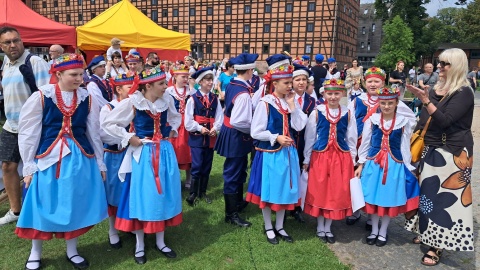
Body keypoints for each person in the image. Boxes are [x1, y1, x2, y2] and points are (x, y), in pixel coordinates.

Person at [16, 53, 108, 270]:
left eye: (81, 74)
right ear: (58, 74)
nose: (79, 79)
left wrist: (100, 162)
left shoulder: (87, 98)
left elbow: (94, 132)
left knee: (73, 203)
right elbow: (29, 132)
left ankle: (72, 250)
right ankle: (35, 252)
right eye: (73, 75)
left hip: (79, 159)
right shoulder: (42, 96)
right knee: (41, 204)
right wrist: (28, 164)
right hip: (48, 160)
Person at [101, 65, 183, 264]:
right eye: (161, 83)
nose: (166, 86)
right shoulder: (134, 103)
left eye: (165, 82)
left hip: (163, 152)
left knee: (162, 194)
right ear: (147, 86)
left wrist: (172, 129)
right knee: (143, 197)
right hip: (143, 155)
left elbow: (175, 118)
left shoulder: (167, 101)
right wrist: (129, 137)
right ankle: (139, 245)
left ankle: (161, 241)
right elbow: (109, 124)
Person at [406, 48, 475, 266]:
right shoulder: (437, 88)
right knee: (427, 196)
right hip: (431, 149)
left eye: (444, 64)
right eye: (438, 62)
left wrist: (427, 100)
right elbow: (427, 119)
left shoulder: (464, 91)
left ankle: (438, 245)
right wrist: (427, 97)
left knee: (447, 201)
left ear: (455, 66)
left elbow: (445, 120)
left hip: (453, 153)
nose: (438, 66)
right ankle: (427, 233)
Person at [246, 55, 307, 245]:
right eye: (287, 83)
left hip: (288, 154)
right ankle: (268, 226)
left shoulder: (290, 101)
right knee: (270, 191)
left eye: (291, 82)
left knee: (284, 191)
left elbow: (299, 126)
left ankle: (280, 226)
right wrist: (275, 137)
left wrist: (292, 107)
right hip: (270, 155)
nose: (290, 86)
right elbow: (255, 132)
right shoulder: (266, 102)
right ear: (275, 83)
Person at [345, 66, 416, 228]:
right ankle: (356, 210)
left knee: (374, 181)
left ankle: (372, 216)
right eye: (369, 81)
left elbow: (410, 119)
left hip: (380, 148)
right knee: (357, 179)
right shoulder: (357, 101)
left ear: (383, 83)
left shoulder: (388, 100)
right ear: (364, 82)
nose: (372, 84)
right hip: (359, 146)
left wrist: (396, 129)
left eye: (376, 81)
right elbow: (348, 120)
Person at [355, 86, 419, 247]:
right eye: (383, 104)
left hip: (394, 166)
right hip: (374, 164)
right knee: (374, 198)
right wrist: (361, 163)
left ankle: (383, 231)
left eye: (390, 103)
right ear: (379, 104)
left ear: (397, 103)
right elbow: (366, 143)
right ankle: (374, 230)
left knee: (387, 199)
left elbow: (404, 146)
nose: (387, 107)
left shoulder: (403, 122)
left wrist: (408, 167)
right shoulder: (372, 120)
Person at [0, 27, 50, 226]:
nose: (13, 45)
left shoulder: (34, 62)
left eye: (16, 41)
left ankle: (43, 208)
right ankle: (16, 210)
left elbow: (47, 94)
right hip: (11, 126)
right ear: (1, 46)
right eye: (8, 42)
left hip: (33, 126)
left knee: (39, 169)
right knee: (7, 167)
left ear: (22, 41)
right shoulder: (6, 63)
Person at [303, 79, 357, 244]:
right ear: (324, 94)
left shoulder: (348, 112)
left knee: (335, 191)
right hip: (321, 156)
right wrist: (307, 158)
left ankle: (329, 226)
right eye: (329, 93)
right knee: (321, 190)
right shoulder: (317, 112)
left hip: (341, 157)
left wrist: (353, 159)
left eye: (336, 93)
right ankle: (320, 225)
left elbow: (351, 137)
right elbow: (310, 137)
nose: (333, 97)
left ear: (342, 94)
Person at [214, 52, 258, 228]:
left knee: (238, 171)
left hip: (234, 134)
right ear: (249, 71)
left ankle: (237, 203)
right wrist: (254, 130)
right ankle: (231, 214)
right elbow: (238, 121)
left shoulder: (233, 82)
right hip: (236, 135)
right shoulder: (243, 93)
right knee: (233, 173)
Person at [100, 71, 139, 250]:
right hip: (115, 155)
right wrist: (126, 138)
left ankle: (128, 224)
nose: (133, 90)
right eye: (129, 87)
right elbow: (104, 133)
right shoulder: (108, 108)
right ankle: (112, 230)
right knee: (113, 192)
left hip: (132, 154)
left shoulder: (135, 105)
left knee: (130, 190)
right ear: (118, 89)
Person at [184, 67, 223, 206]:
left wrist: (215, 128)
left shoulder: (215, 98)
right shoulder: (193, 99)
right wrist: (200, 128)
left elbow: (219, 117)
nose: (210, 82)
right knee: (197, 165)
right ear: (200, 82)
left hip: (210, 137)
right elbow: (188, 121)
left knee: (207, 165)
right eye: (207, 80)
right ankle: (193, 194)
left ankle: (203, 192)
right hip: (197, 138)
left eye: (211, 80)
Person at [289, 63, 316, 223]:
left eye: (304, 80)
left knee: (301, 173)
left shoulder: (312, 102)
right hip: (289, 141)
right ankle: (285, 205)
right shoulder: (287, 98)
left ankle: (298, 207)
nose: (300, 83)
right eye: (297, 79)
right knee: (289, 173)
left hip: (304, 142)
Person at [167, 64, 194, 188]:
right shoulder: (169, 91)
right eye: (183, 76)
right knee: (174, 150)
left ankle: (189, 178)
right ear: (175, 77)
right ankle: (174, 178)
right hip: (174, 123)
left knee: (188, 151)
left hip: (187, 123)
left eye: (187, 77)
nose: (185, 79)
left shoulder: (191, 91)